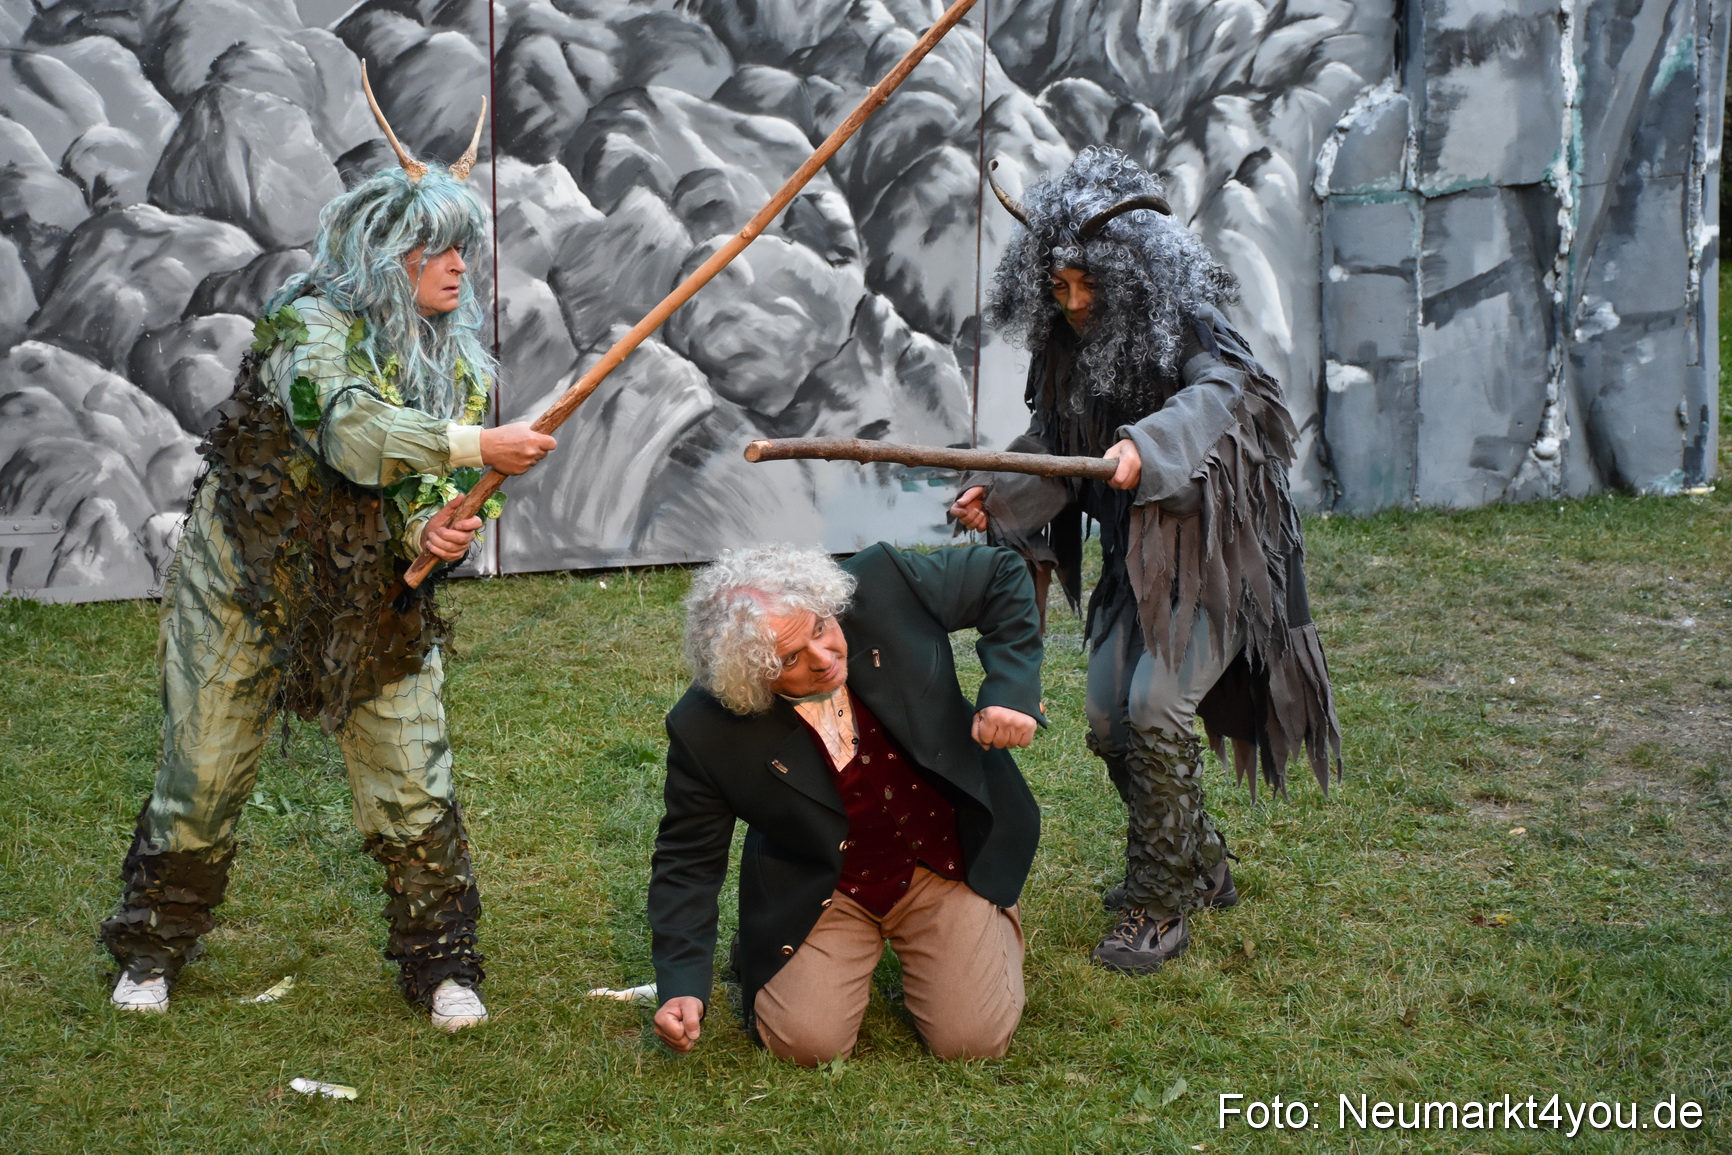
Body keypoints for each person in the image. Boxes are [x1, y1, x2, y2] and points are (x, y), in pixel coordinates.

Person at [98, 75, 557, 1030]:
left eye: (461, 248)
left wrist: (439, 529)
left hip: (373, 597)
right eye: (432, 248)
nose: (456, 267)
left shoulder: (460, 363)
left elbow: (428, 491)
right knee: (205, 770)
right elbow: (350, 431)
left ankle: (442, 966)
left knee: (412, 777)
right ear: (383, 254)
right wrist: (478, 449)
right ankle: (151, 952)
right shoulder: (307, 327)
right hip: (246, 583)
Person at [951, 147, 1341, 975]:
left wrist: (1145, 445)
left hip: (1217, 561)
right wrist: (999, 490)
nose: (1076, 301)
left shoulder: (1191, 326)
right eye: (1058, 285)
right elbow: (1057, 445)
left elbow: (1220, 395)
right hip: (1140, 563)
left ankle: (1158, 902)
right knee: (1104, 718)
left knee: (1157, 709)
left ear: (1134, 273)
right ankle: (1200, 862)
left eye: (1089, 282)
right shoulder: (1067, 346)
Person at [648, 542, 1043, 1064]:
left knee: (972, 1042)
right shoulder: (705, 728)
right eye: (790, 659)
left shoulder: (883, 580)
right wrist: (681, 982)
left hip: (947, 857)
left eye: (819, 628)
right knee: (804, 1044)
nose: (825, 657)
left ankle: (987, 908)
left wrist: (1011, 688)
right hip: (826, 884)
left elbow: (1002, 573)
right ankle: (774, 945)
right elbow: (687, 859)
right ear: (749, 676)